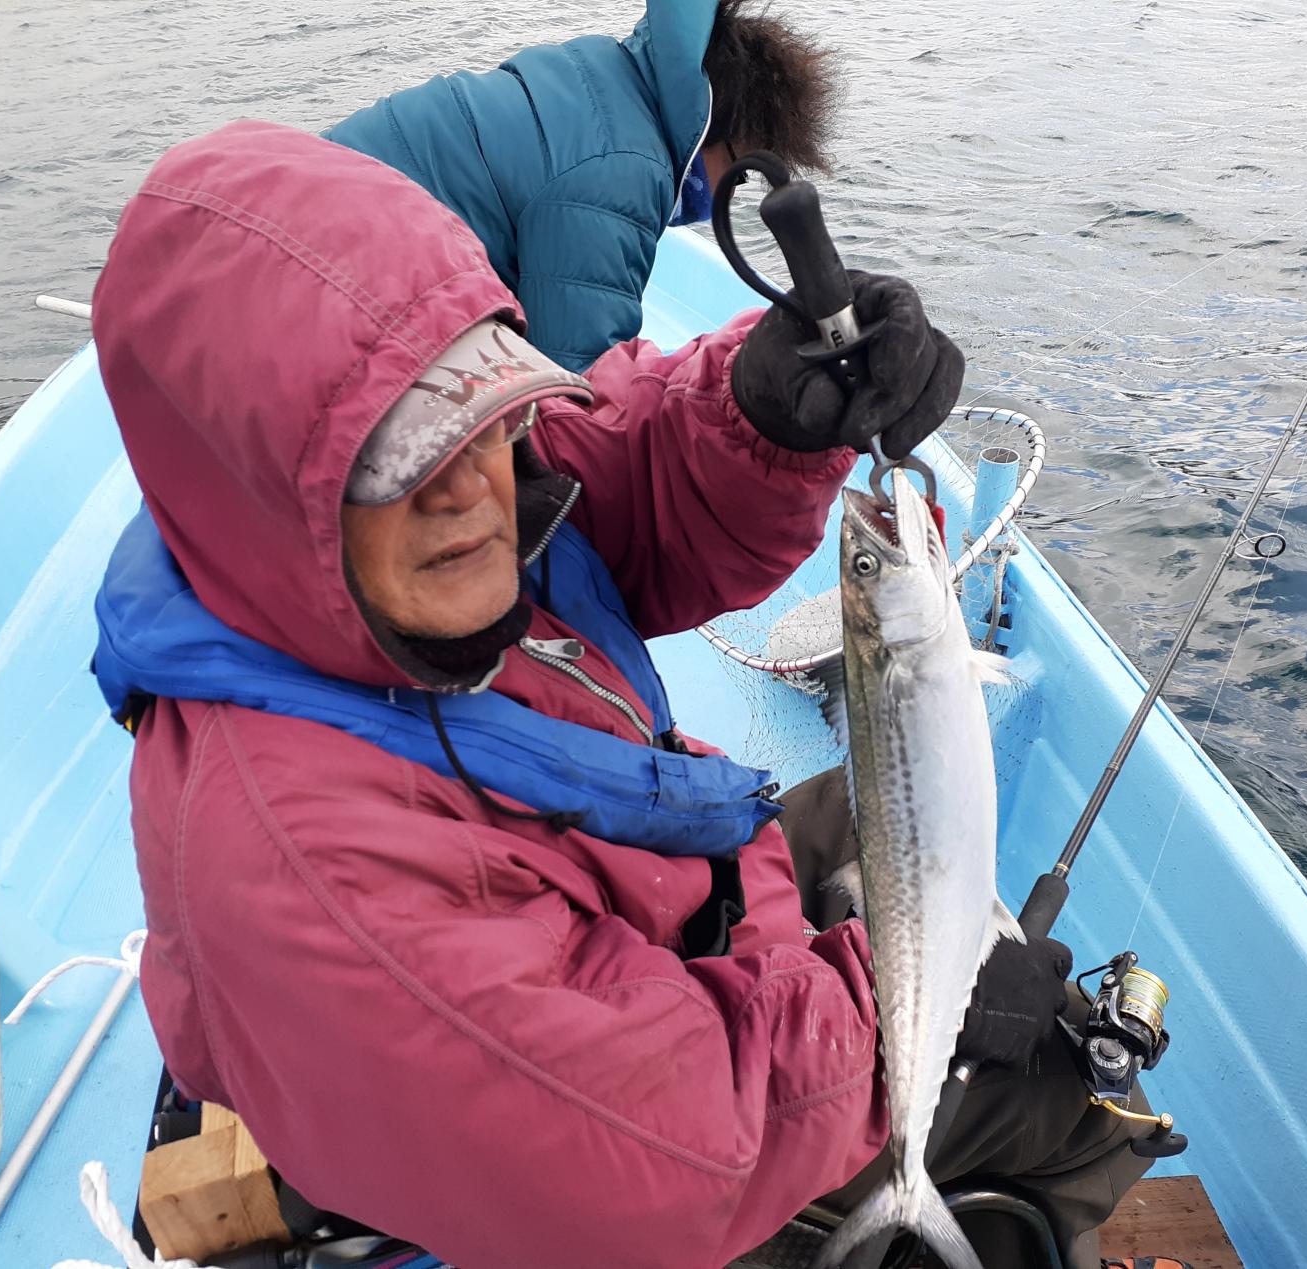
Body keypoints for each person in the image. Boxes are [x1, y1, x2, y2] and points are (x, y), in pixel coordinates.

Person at [90, 121, 1152, 1269]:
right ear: (273, 483)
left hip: (655, 912)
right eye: (391, 455)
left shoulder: (332, 558)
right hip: (633, 1124)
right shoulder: (312, 877)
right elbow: (671, 1148)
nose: (469, 489)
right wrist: (900, 1019)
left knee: (864, 813)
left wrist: (760, 412)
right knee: (1077, 1096)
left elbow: (609, 481)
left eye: (477, 407)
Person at [324, 0, 836, 373]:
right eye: (741, 170)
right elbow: (574, 385)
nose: (731, 188)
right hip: (338, 270)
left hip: (320, 194)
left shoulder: (607, 70)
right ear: (717, 126)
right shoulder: (624, 172)